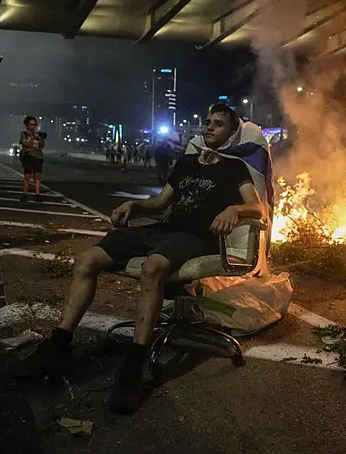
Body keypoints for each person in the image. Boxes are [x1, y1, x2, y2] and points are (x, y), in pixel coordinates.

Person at [16, 104, 264, 414]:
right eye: (208, 122)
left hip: (195, 238)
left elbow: (258, 209)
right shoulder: (186, 163)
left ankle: (134, 366)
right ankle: (58, 344)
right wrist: (135, 206)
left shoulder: (234, 168)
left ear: (231, 134)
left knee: (152, 268)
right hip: (162, 229)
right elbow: (160, 202)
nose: (209, 128)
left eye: (219, 125)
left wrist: (234, 210)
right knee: (86, 260)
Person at [19, 115, 45, 202]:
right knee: (27, 175)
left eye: (34, 124)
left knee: (37, 176)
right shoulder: (24, 134)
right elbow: (25, 144)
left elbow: (41, 146)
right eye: (31, 124)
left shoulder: (38, 135)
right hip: (28, 156)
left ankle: (37, 194)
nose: (33, 126)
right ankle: (25, 194)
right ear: (27, 125)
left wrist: (41, 139)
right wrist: (33, 137)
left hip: (38, 156)